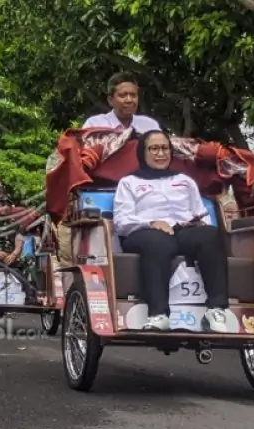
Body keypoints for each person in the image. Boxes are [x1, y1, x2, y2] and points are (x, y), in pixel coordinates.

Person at [112, 130, 230, 332]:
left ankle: (216, 310)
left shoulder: (185, 180)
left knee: (209, 234)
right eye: (154, 148)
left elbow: (202, 214)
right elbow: (122, 221)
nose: (161, 153)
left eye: (165, 148)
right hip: (144, 233)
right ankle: (158, 314)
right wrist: (151, 223)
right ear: (143, 152)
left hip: (182, 231)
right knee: (157, 241)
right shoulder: (129, 182)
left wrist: (198, 224)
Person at [0, 207, 39, 309]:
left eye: (7, 205)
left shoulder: (16, 224)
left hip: (10, 257)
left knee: (29, 258)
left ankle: (31, 295)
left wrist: (13, 254)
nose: (4, 208)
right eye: (2, 204)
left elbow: (19, 243)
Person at [82, 72, 161, 133]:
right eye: (123, 95)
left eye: (133, 95)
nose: (129, 100)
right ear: (110, 100)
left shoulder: (150, 126)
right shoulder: (95, 125)